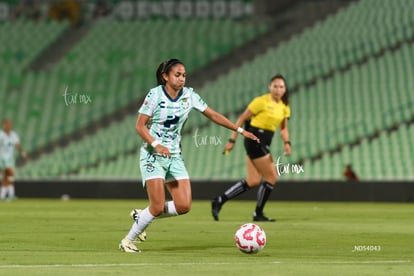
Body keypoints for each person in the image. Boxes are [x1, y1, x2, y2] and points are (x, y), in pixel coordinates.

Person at [119, 58, 259, 253]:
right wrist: (156, 145)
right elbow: (140, 125)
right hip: (153, 155)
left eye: (184, 75)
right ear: (165, 76)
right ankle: (127, 240)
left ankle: (142, 214)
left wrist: (241, 131)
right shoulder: (155, 95)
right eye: (177, 75)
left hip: (174, 157)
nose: (182, 79)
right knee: (157, 207)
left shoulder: (189, 95)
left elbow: (213, 115)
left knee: (184, 205)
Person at [211, 74, 291, 222]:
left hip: (264, 141)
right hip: (254, 138)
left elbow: (284, 128)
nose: (278, 89)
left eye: (281, 87)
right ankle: (258, 214)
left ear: (285, 89)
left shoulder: (284, 106)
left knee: (253, 180)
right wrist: (232, 140)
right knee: (272, 176)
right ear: (270, 87)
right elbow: (241, 119)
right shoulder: (261, 101)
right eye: (275, 86)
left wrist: (287, 142)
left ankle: (219, 200)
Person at [0, 119, 28, 201]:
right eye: (7, 124)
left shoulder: (13, 135)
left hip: (10, 159)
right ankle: (10, 195)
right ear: (4, 125)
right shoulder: (1, 134)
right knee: (9, 175)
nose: (8, 125)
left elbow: (18, 145)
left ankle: (4, 195)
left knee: (8, 176)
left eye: (9, 124)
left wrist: (23, 154)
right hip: (2, 158)